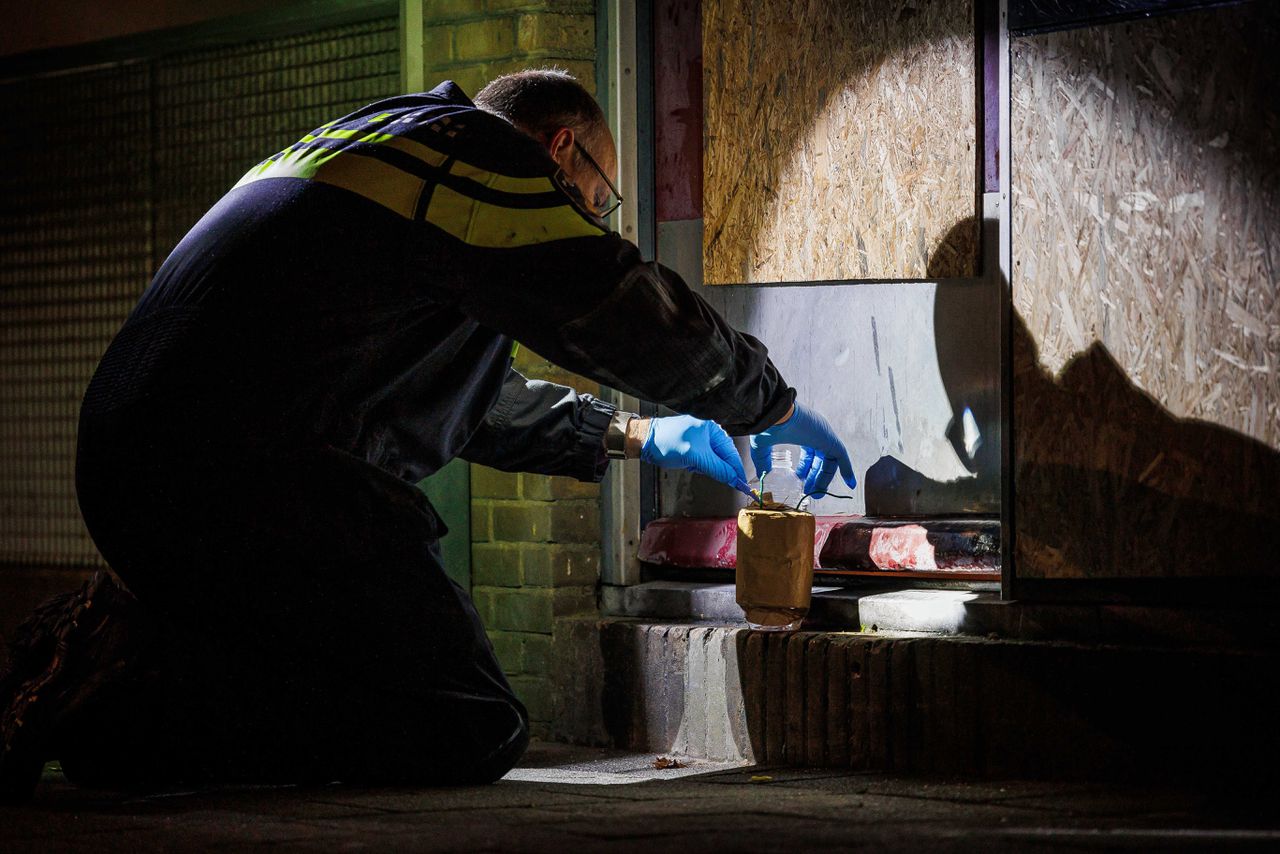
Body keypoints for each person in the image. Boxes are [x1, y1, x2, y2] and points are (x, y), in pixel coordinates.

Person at [0, 69, 855, 798]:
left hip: (147, 463)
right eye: (602, 198)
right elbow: (614, 300)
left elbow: (441, 393)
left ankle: (120, 689)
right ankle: (124, 690)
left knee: (356, 679)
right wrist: (766, 403)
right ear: (557, 149)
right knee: (466, 723)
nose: (599, 219)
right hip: (250, 474)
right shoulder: (478, 155)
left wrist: (631, 435)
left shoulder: (380, 146)